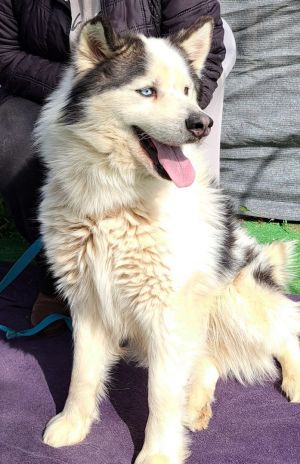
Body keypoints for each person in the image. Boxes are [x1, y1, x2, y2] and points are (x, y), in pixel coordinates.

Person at [0, 0, 236, 328]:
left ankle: (149, 283)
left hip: (151, 95)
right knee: (8, 133)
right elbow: (5, 52)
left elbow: (205, 55)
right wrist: (88, 82)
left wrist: (160, 101)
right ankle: (61, 278)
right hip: (55, 95)